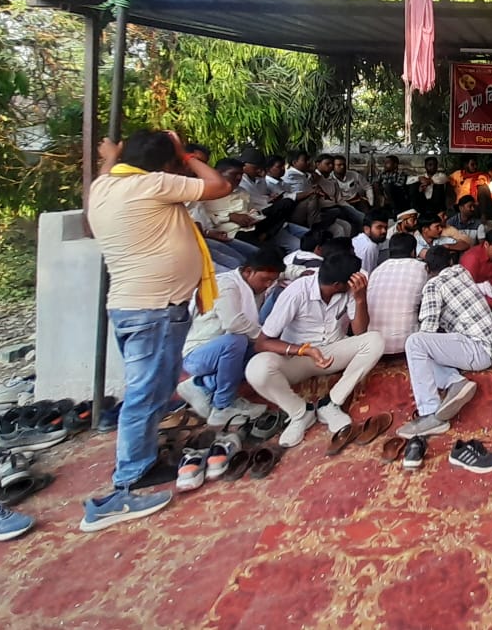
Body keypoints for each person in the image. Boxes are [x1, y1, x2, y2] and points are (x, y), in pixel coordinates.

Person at [82, 129, 231, 531]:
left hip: (133, 306)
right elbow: (220, 186)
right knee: (146, 394)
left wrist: (110, 158)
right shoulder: (152, 184)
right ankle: (129, 480)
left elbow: (104, 180)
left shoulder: (104, 186)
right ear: (165, 164)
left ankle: (142, 461)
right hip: (155, 309)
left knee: (151, 390)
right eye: (174, 161)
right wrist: (186, 155)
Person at [245, 252, 383, 448]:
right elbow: (262, 343)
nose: (358, 281)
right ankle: (300, 413)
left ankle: (331, 403)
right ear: (337, 285)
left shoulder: (350, 291)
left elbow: (360, 332)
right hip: (298, 358)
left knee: (375, 341)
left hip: (332, 352)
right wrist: (304, 350)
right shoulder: (296, 292)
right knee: (256, 368)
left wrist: (360, 299)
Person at [397, 246, 492, 438]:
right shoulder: (462, 272)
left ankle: (430, 414)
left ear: (427, 269)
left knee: (415, 343)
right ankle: (455, 382)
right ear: (452, 262)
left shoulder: (433, 285)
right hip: (487, 345)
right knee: (424, 349)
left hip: (476, 350)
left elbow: (427, 330)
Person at [178, 250, 282, 427]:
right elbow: (234, 323)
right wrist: (266, 338)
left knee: (262, 353)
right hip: (197, 354)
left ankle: (203, 384)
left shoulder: (252, 285)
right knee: (238, 341)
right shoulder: (226, 285)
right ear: (248, 271)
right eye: (265, 280)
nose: (268, 285)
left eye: (272, 281)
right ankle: (223, 406)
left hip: (223, 350)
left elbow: (286, 272)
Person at [365, 233, 427, 355]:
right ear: (413, 252)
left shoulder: (377, 270)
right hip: (408, 344)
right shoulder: (423, 268)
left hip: (373, 346)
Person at [352, 210, 390, 274]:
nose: (384, 231)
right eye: (379, 227)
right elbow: (368, 275)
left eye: (385, 227)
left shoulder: (357, 239)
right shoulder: (370, 246)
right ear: (366, 229)